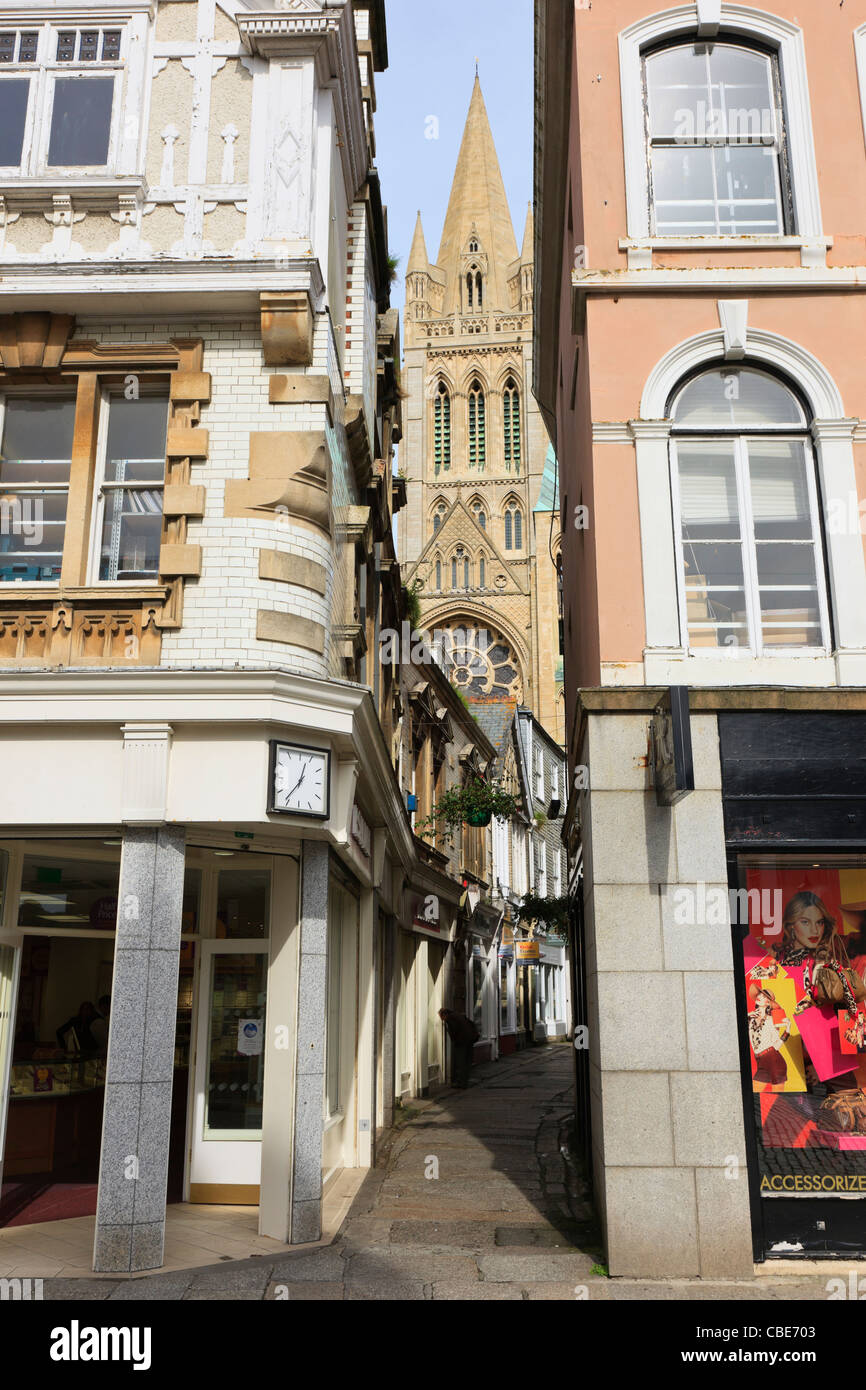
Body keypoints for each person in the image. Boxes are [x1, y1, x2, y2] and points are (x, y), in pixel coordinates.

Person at [748, 988, 790, 1089]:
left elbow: (776, 1045)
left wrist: (787, 1030)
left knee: (778, 1098)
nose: (759, 997)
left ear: (768, 1003)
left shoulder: (772, 1019)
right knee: (755, 1091)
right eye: (759, 995)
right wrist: (747, 1015)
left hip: (773, 1060)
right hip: (760, 1061)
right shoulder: (750, 1018)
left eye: (764, 997)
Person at [438, 1008, 479, 1088]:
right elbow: (471, 1023)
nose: (441, 1019)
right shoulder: (459, 1015)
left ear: (444, 1015)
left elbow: (454, 1030)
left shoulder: (450, 1018)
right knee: (467, 1061)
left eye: (441, 1017)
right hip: (469, 1040)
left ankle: (461, 1083)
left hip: (461, 1041)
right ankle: (465, 1081)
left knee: (461, 1062)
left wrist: (453, 1038)